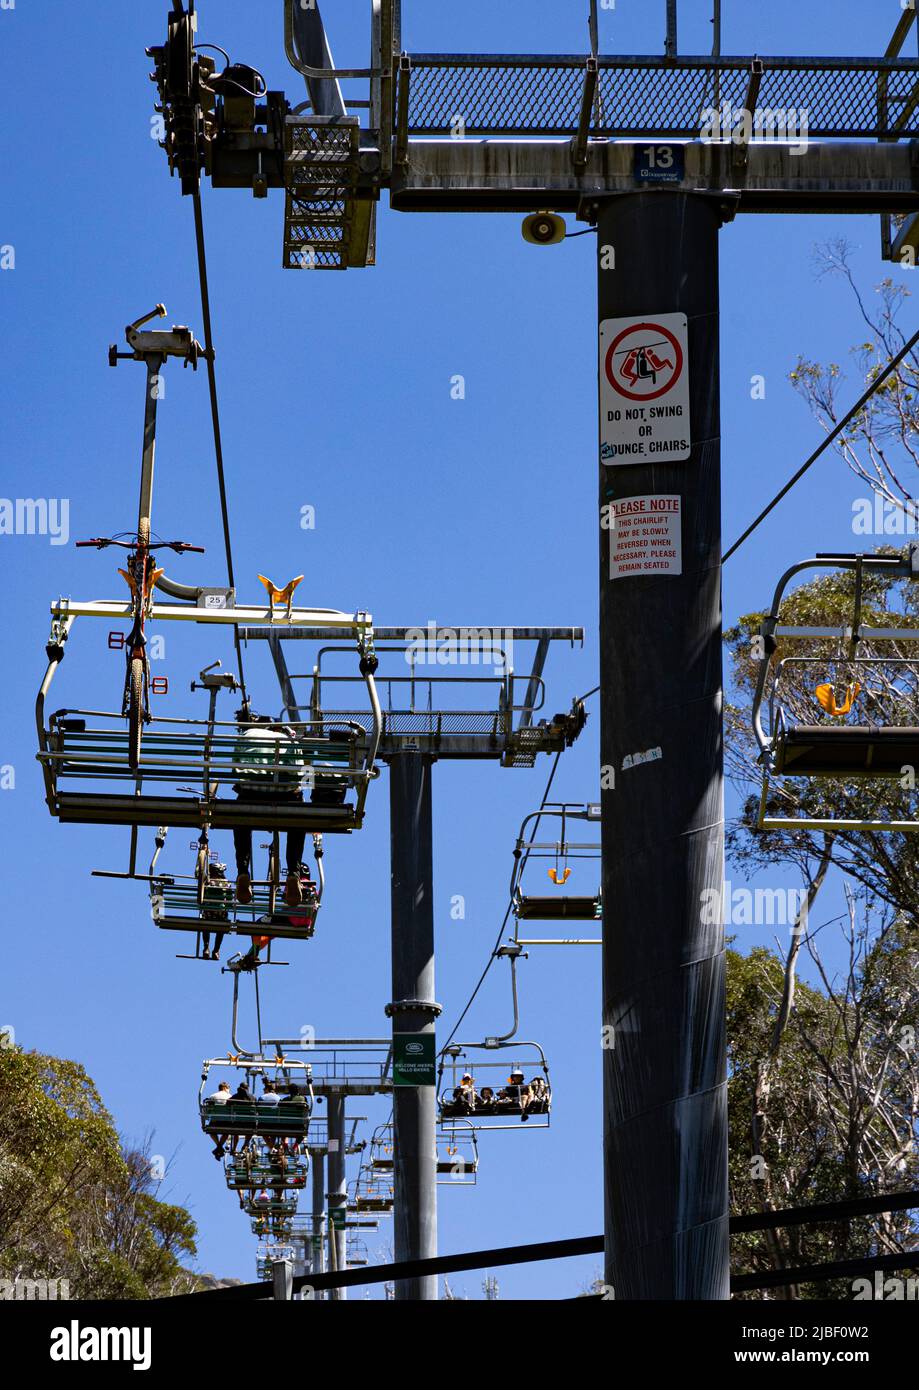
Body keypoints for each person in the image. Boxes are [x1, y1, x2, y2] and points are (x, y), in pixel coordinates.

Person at [231, 709, 308, 908]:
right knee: (299, 817)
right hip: (285, 796)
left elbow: (235, 768)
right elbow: (300, 774)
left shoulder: (246, 735)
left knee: (240, 818)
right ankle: (293, 872)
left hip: (250, 794)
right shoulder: (290, 740)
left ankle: (242, 871)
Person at [201, 860, 232, 961]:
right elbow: (230, 902)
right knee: (222, 926)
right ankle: (216, 950)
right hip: (221, 916)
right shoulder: (226, 884)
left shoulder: (207, 882)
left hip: (208, 915)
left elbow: (202, 899)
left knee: (205, 922)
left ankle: (206, 947)